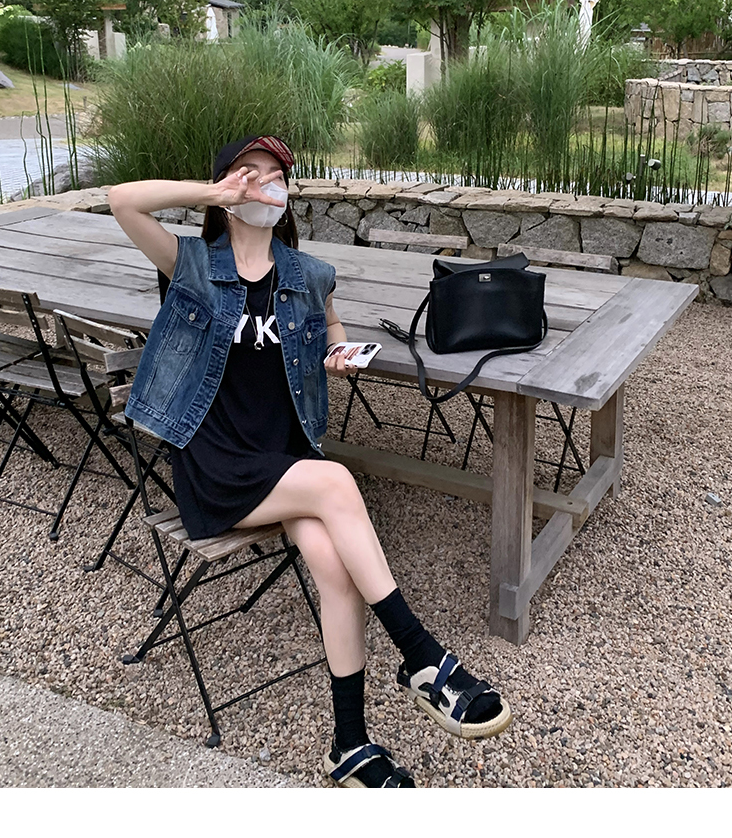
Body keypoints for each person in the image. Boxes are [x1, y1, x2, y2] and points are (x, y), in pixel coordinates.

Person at [109, 134, 512, 789]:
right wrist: (214, 192)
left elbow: (330, 325)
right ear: (226, 188)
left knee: (336, 569)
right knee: (336, 480)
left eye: (275, 176)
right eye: (249, 173)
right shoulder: (190, 264)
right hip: (218, 465)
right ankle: (421, 656)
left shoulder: (307, 275)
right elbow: (122, 200)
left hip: (285, 457)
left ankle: (349, 745)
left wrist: (336, 352)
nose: (264, 185)